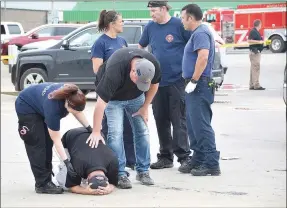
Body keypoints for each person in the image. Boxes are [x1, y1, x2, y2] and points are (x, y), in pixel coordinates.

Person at [87, 47, 161, 189]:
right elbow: (100, 105)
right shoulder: (115, 70)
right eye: (137, 80)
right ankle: (119, 173)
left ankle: (143, 171)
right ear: (132, 71)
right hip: (114, 100)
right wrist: (96, 131)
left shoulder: (152, 64)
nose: (137, 83)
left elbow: (155, 85)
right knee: (115, 134)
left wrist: (145, 107)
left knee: (143, 131)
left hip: (136, 98)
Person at [138, 1, 191, 172]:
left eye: (153, 11)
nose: (151, 14)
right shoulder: (150, 27)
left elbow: (192, 46)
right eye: (150, 11)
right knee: (161, 119)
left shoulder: (178, 25)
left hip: (177, 80)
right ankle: (165, 156)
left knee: (179, 120)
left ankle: (183, 156)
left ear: (163, 9)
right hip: (156, 82)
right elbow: (141, 46)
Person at [15, 83, 92, 194]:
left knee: (47, 142)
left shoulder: (75, 94)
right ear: (67, 104)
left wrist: (90, 128)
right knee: (38, 144)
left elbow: (77, 111)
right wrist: (67, 162)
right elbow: (57, 139)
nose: (75, 113)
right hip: (27, 106)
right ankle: (42, 184)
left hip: (40, 104)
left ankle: (47, 178)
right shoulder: (53, 108)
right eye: (73, 111)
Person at [91, 10, 136, 169]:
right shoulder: (100, 43)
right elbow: (97, 69)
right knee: (111, 130)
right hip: (109, 93)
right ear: (112, 24)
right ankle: (112, 163)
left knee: (128, 128)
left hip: (124, 92)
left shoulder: (122, 41)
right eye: (121, 21)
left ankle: (132, 161)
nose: (123, 23)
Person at [180, 4, 221, 176]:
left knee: (201, 125)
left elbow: (203, 57)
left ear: (190, 18)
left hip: (199, 84)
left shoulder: (201, 33)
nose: (182, 21)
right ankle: (198, 158)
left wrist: (195, 80)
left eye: (183, 18)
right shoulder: (197, 33)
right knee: (192, 124)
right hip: (194, 85)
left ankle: (211, 163)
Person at [55, 127, 118, 195]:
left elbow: (113, 183)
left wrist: (109, 189)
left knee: (76, 175)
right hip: (71, 136)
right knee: (65, 184)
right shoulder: (77, 165)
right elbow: (71, 186)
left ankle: (78, 176)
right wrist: (85, 191)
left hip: (93, 134)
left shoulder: (113, 162)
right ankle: (63, 168)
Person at [248, 19, 265, 90]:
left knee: (253, 68)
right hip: (255, 53)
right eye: (261, 24)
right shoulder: (253, 31)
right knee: (256, 68)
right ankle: (256, 85)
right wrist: (259, 42)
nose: (261, 25)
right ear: (259, 24)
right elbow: (249, 40)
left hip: (255, 52)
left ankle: (252, 84)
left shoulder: (256, 31)